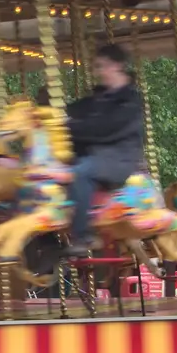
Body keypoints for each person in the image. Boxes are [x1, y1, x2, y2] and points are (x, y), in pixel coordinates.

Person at [63, 43, 147, 255]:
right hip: (95, 155)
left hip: (118, 158)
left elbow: (106, 129)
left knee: (80, 172)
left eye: (102, 66)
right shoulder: (97, 99)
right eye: (97, 67)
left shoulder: (130, 101)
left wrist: (69, 126)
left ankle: (83, 236)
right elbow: (73, 111)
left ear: (117, 66)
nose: (98, 72)